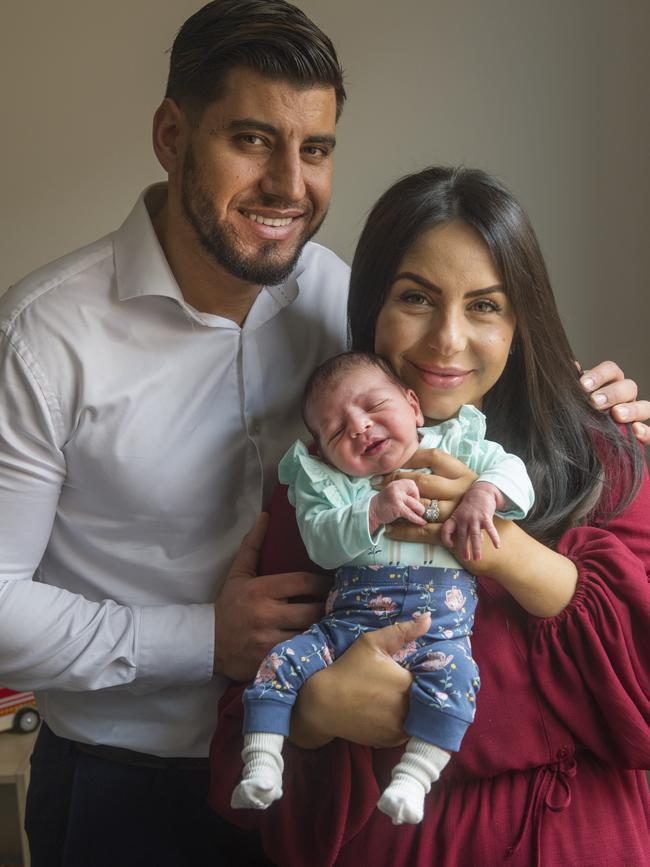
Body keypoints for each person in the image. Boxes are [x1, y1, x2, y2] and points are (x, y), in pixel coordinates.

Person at [0, 1, 645, 863]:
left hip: (311, 783)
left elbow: (465, 350)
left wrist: (587, 399)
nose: (288, 185)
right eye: (252, 140)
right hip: (133, 776)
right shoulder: (44, 337)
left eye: (316, 150)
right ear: (170, 134)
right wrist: (209, 640)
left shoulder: (337, 300)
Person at [210, 166, 650, 867]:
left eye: (485, 306)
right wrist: (318, 712)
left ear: (520, 321)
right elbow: (245, 744)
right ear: (374, 305)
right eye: (416, 297)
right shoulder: (326, 486)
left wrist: (504, 547)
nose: (447, 340)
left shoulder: (601, 456)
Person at [232, 350, 534, 824]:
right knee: (280, 662)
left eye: (373, 407)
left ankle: (414, 779)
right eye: (336, 432)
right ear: (324, 452)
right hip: (345, 631)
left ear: (414, 406)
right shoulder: (330, 484)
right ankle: (262, 763)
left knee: (459, 681)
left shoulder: (460, 445)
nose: (359, 427)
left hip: (439, 631)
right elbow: (321, 543)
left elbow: (514, 472)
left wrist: (483, 493)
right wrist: (372, 510)